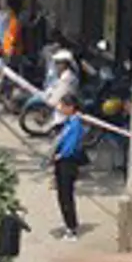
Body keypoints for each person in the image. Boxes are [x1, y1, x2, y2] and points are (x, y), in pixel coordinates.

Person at [50, 97, 86, 239]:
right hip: (61, 162)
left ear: (71, 107)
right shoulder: (68, 122)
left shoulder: (76, 124)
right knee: (61, 196)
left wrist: (61, 155)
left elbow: (71, 145)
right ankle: (68, 224)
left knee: (66, 196)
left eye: (63, 105)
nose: (60, 108)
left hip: (68, 163)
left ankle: (72, 228)